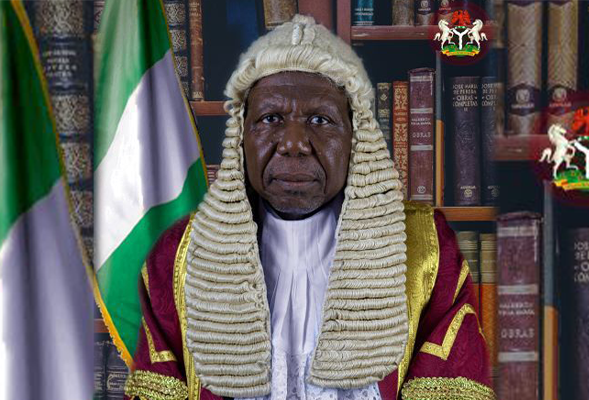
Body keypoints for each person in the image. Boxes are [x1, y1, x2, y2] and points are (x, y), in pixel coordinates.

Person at [124, 15, 494, 400]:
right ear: (241, 139)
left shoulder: (425, 249)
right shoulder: (180, 255)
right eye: (271, 119)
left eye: (320, 119)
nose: (294, 143)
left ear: (355, 138)